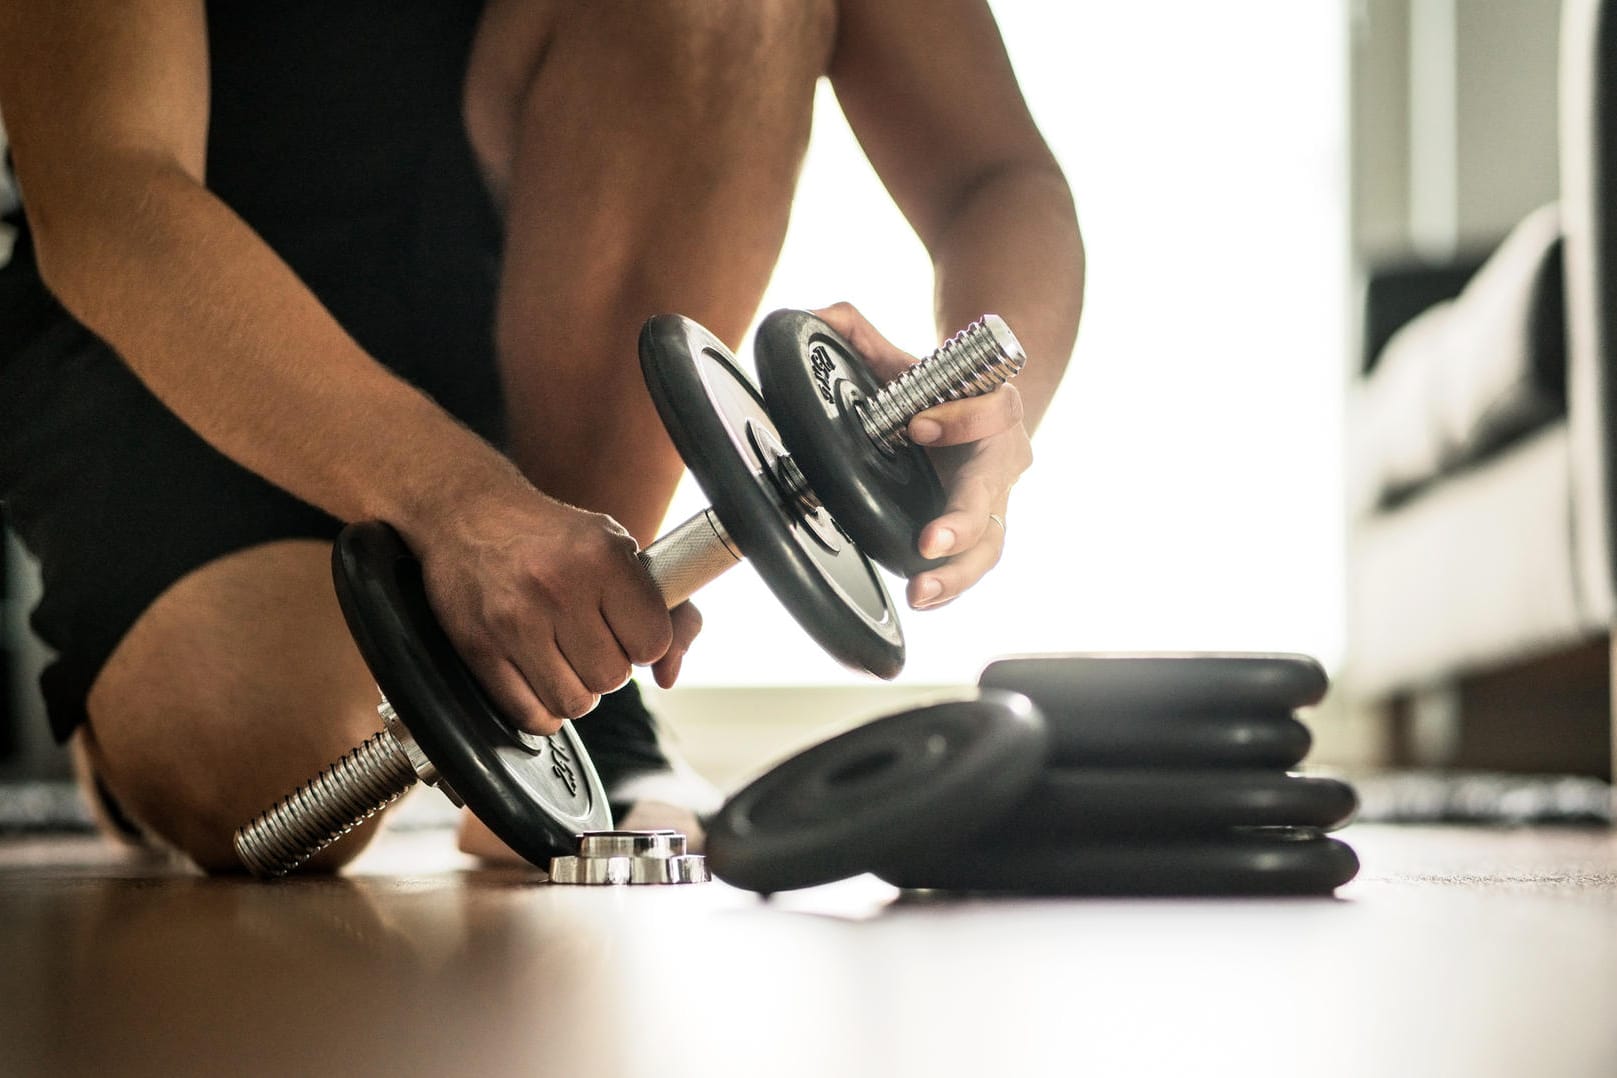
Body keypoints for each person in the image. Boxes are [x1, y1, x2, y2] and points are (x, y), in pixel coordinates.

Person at [0, 0, 1083, 872]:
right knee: (280, 768)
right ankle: (124, 714)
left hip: (518, 326)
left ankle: (580, 703)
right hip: (194, 344)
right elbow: (107, 187)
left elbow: (995, 175)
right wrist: (459, 503)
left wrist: (994, 399)